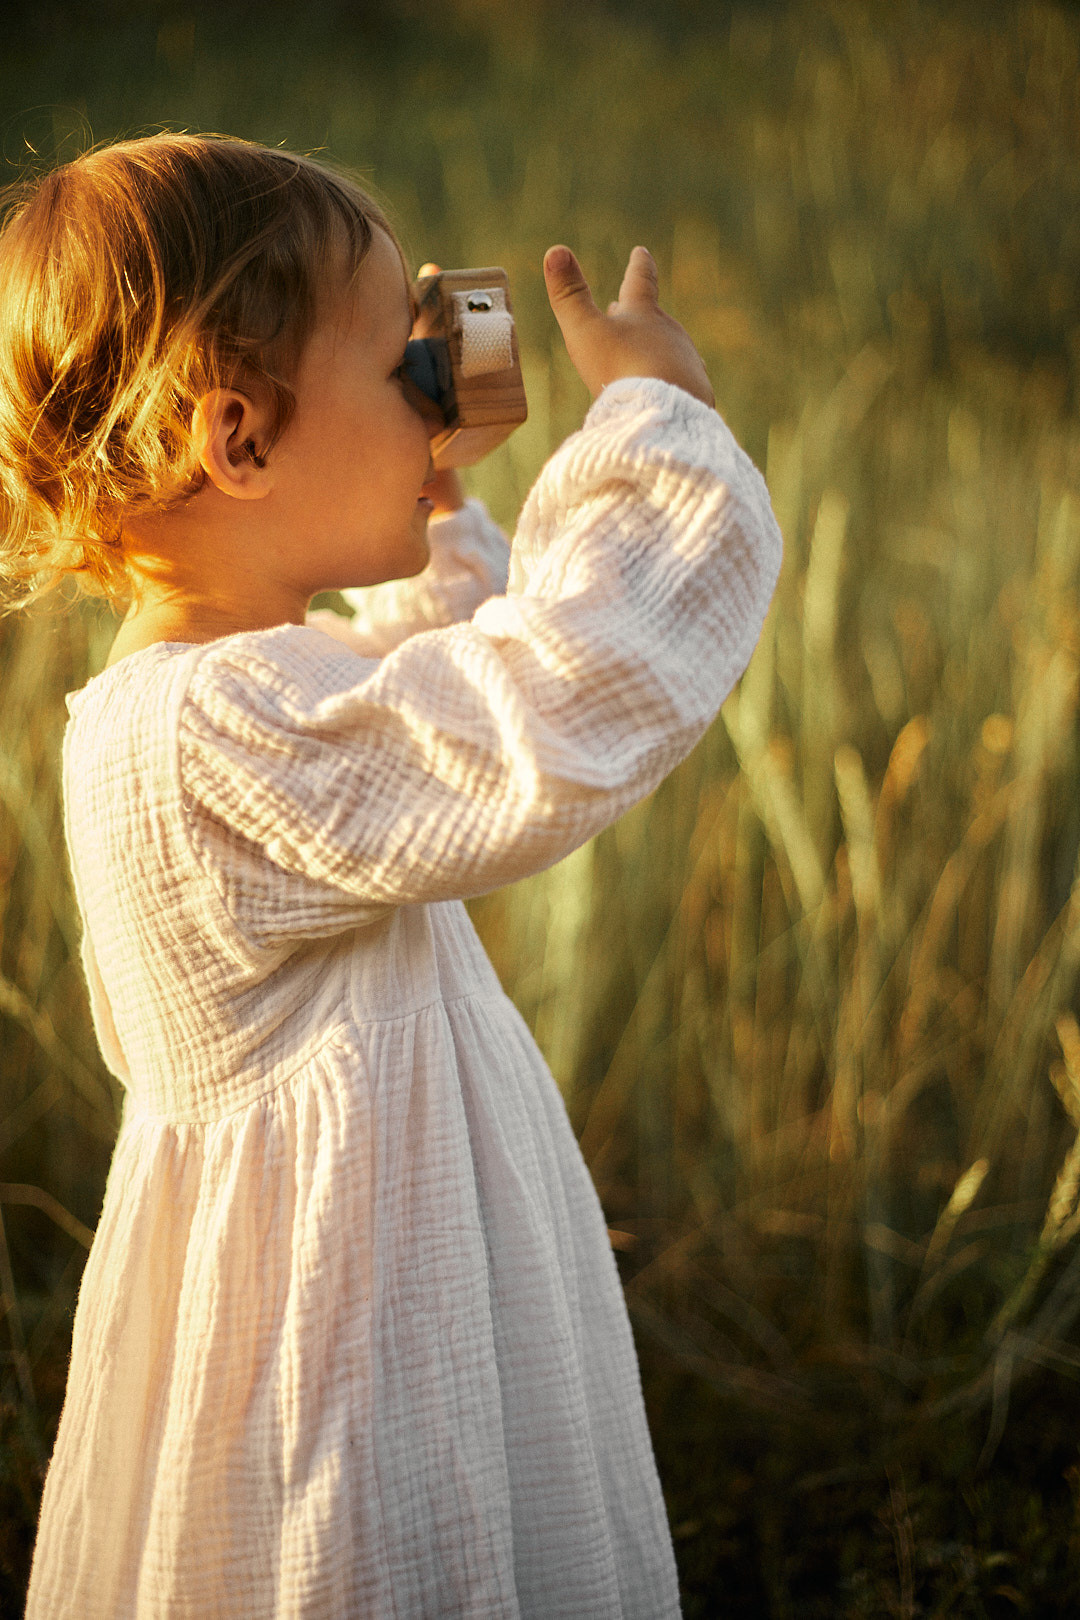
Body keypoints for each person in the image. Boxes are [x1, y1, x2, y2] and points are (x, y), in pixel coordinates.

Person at [2, 133, 781, 1618]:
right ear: (235, 441)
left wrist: (423, 447)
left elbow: (425, 672)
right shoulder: (211, 737)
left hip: (375, 1324)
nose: (437, 383)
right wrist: (656, 426)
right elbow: (535, 713)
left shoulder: (247, 686)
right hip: (339, 1399)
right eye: (401, 370)